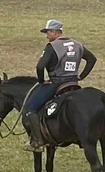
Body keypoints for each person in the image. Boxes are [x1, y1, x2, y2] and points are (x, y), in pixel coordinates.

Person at [23, 19, 97, 152]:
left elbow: (40, 66)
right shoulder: (77, 44)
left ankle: (38, 141)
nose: (47, 36)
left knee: (31, 108)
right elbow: (92, 59)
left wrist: (41, 81)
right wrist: (81, 76)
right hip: (73, 83)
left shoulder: (52, 46)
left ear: (55, 32)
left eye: (48, 32)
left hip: (56, 83)